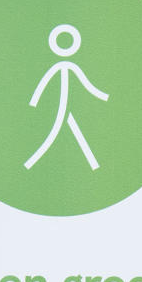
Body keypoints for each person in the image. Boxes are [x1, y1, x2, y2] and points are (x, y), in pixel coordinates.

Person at [26, 23, 110, 173]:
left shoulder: (71, 67)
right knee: (61, 129)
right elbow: (44, 83)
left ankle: (33, 160)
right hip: (61, 103)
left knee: (59, 129)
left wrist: (100, 95)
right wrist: (35, 100)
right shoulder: (59, 67)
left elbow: (86, 83)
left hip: (67, 102)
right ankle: (91, 161)